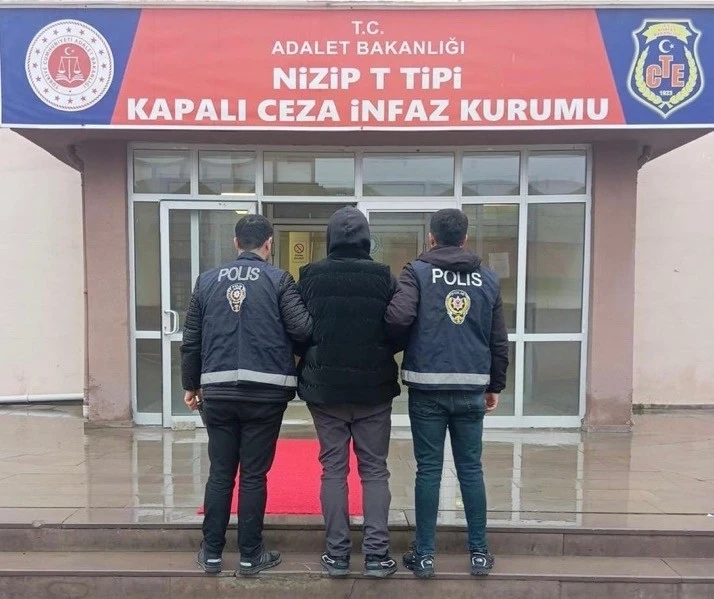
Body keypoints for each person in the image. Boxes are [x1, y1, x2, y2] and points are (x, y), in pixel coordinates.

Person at [181, 214, 313, 577]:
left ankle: (211, 553)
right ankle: (251, 555)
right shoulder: (279, 279)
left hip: (218, 391)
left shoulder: (207, 281)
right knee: (254, 475)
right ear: (269, 243)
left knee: (221, 473)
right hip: (266, 393)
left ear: (236, 243)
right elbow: (303, 329)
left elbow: (191, 339)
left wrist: (191, 385)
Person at [385, 208, 508, 579]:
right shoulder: (487, 278)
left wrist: (402, 345)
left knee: (429, 470)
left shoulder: (417, 272)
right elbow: (498, 339)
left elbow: (398, 317)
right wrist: (495, 385)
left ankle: (424, 556)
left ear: (431, 237)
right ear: (465, 239)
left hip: (427, 386)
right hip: (472, 386)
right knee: (471, 469)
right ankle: (480, 554)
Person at [296, 207, 400, 578]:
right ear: (366, 239)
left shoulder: (309, 276)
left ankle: (337, 555)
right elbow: (397, 325)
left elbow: (299, 329)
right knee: (374, 471)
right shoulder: (384, 276)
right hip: (374, 389)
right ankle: (376, 556)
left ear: (330, 238)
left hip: (325, 390)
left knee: (333, 470)